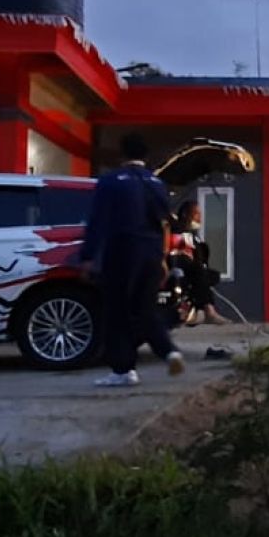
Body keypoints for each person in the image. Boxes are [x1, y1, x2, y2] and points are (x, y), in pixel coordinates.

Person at [80, 133, 184, 386]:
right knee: (145, 309)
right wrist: (162, 258)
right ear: (145, 157)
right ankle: (169, 351)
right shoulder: (156, 183)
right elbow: (165, 223)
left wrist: (88, 256)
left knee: (117, 311)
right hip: (150, 253)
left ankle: (123, 370)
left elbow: (98, 221)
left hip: (121, 251)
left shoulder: (111, 181)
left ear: (122, 154)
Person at [169, 200, 228, 325]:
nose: (199, 218)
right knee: (198, 271)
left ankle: (194, 309)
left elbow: (200, 257)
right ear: (186, 214)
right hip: (175, 262)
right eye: (196, 214)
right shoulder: (174, 228)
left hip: (191, 267)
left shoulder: (194, 237)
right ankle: (209, 312)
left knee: (210, 274)